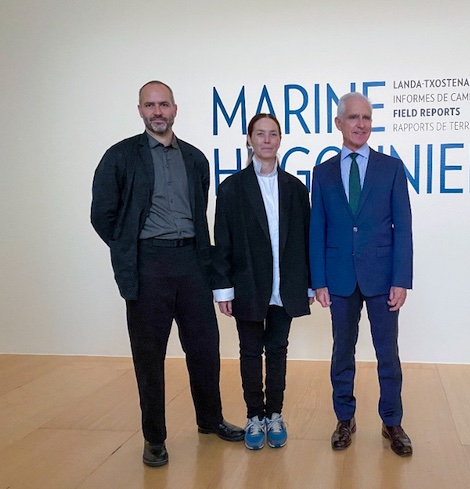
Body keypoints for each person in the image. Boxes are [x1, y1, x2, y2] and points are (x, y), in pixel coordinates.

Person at [91, 80, 244, 468]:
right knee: (149, 357)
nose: (157, 112)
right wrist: (131, 247)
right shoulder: (120, 157)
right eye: (150, 106)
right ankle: (154, 438)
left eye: (163, 105)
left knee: (205, 350)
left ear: (175, 109)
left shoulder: (195, 159)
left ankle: (210, 421)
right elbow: (102, 214)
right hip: (148, 266)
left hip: (192, 262)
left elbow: (200, 213)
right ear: (140, 110)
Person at [309, 92, 414, 456]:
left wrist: (401, 278)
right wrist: (318, 280)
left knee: (388, 353)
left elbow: (404, 227)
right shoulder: (322, 173)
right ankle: (345, 418)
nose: (360, 124)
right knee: (343, 352)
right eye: (353, 118)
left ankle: (392, 421)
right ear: (339, 123)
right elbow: (317, 229)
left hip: (383, 277)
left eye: (366, 118)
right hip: (338, 278)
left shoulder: (391, 168)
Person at [213, 113, 313, 450]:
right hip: (247, 285)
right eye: (260, 134)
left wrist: (308, 284)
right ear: (249, 139)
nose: (267, 140)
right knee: (250, 351)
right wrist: (223, 287)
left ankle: (275, 414)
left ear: (280, 140)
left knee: (279, 351)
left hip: (285, 287)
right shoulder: (231, 189)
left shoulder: (296, 189)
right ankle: (254, 415)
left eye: (273, 134)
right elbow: (222, 242)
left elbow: (305, 240)